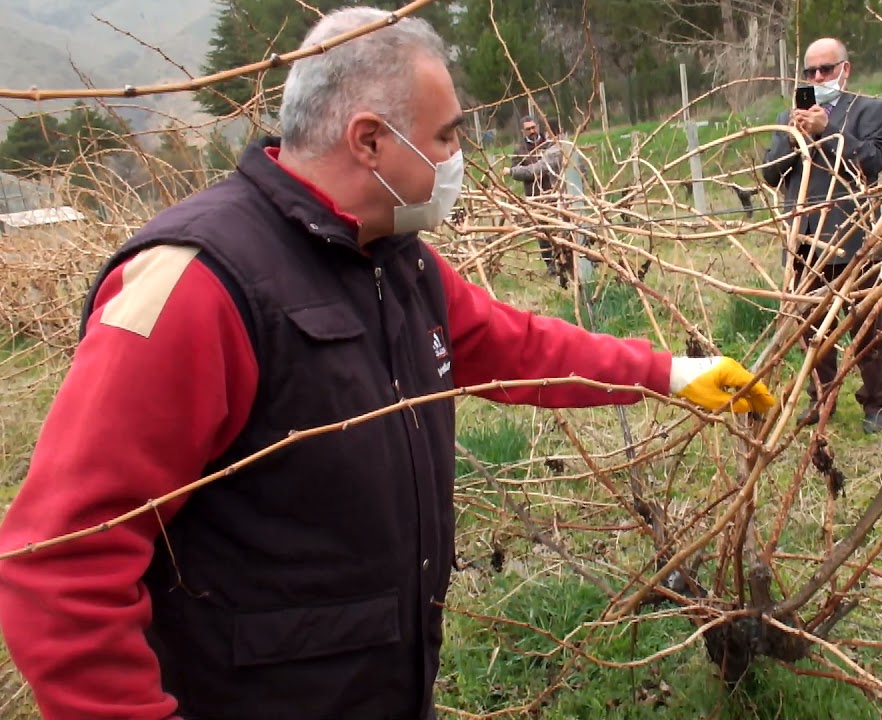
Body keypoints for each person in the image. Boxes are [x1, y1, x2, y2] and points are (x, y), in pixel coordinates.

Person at [0, 9, 775, 720]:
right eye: (446, 136)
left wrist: (669, 373)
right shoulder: (199, 286)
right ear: (369, 141)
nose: (459, 157)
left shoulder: (393, 263)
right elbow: (63, 562)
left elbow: (519, 346)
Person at [761, 37, 882, 434]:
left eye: (827, 69)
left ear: (845, 70)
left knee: (865, 324)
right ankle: (821, 398)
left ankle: (877, 401)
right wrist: (792, 136)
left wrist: (828, 129)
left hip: (853, 236)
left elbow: (873, 162)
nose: (819, 78)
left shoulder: (869, 110)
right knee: (812, 329)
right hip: (804, 239)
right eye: (811, 72)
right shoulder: (790, 117)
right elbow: (771, 174)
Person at [504, 116, 585, 274]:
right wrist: (523, 173)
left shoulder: (550, 146)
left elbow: (542, 167)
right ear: (523, 131)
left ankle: (569, 261)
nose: (532, 131)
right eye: (528, 129)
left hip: (555, 194)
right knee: (542, 233)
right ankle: (551, 266)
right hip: (535, 197)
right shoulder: (519, 150)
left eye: (534, 127)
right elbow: (524, 171)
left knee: (563, 227)